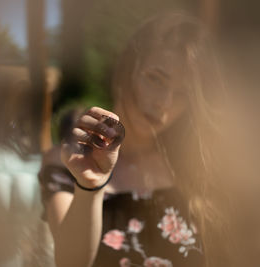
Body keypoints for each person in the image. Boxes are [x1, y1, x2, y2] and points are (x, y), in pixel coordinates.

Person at [40, 12, 229, 267]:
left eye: (182, 93)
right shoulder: (70, 162)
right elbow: (71, 263)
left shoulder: (196, 170)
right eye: (155, 79)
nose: (164, 102)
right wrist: (90, 186)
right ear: (127, 70)